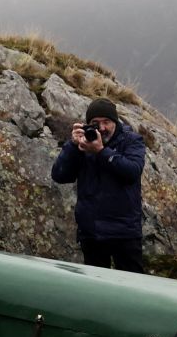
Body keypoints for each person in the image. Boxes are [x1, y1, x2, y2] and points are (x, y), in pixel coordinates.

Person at [50, 97, 147, 272]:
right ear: (88, 125)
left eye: (106, 122)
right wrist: (72, 146)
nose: (101, 128)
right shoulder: (83, 145)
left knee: (132, 290)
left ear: (115, 122)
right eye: (95, 123)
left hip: (124, 233)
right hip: (92, 234)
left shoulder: (132, 141)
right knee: (96, 292)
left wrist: (101, 152)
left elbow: (132, 172)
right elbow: (59, 175)